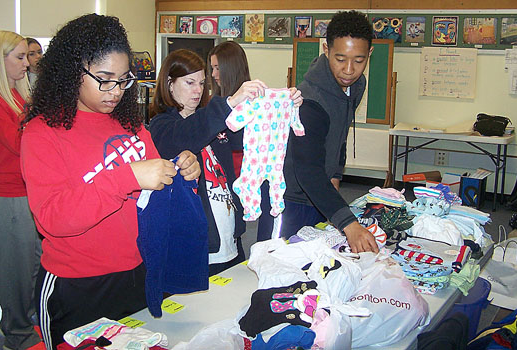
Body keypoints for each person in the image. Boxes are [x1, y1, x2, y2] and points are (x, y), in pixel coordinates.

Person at [20, 14, 200, 350]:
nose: (115, 91)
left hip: (138, 273)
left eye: (123, 80)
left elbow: (156, 181)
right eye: (104, 79)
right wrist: (127, 177)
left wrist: (182, 169)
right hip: (78, 287)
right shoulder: (42, 133)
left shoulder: (129, 124)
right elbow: (54, 218)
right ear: (73, 72)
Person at [148, 49, 302, 276]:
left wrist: (281, 107)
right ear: (170, 84)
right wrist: (229, 102)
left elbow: (252, 135)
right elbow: (188, 135)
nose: (198, 90)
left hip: (230, 236)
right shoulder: (162, 126)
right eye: (190, 83)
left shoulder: (212, 120)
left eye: (202, 83)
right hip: (196, 245)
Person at [279, 10, 379, 253]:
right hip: (294, 197)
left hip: (322, 192)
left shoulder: (356, 85)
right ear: (326, 50)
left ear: (369, 55)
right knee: (290, 266)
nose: (348, 70)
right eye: (340, 58)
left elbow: (341, 132)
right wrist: (348, 224)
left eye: (359, 60)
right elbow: (306, 170)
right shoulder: (310, 101)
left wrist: (335, 173)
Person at [0, 30, 43, 350]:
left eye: (27, 56)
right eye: (19, 57)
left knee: (34, 264)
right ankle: (16, 333)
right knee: (15, 270)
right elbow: (22, 143)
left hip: (29, 193)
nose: (27, 64)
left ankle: (29, 320)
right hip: (10, 197)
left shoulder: (17, 97)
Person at [207, 41, 275, 242]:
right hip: (222, 182)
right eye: (212, 68)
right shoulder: (216, 103)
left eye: (218, 68)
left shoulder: (256, 102)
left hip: (248, 180)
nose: (213, 74)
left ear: (231, 67)